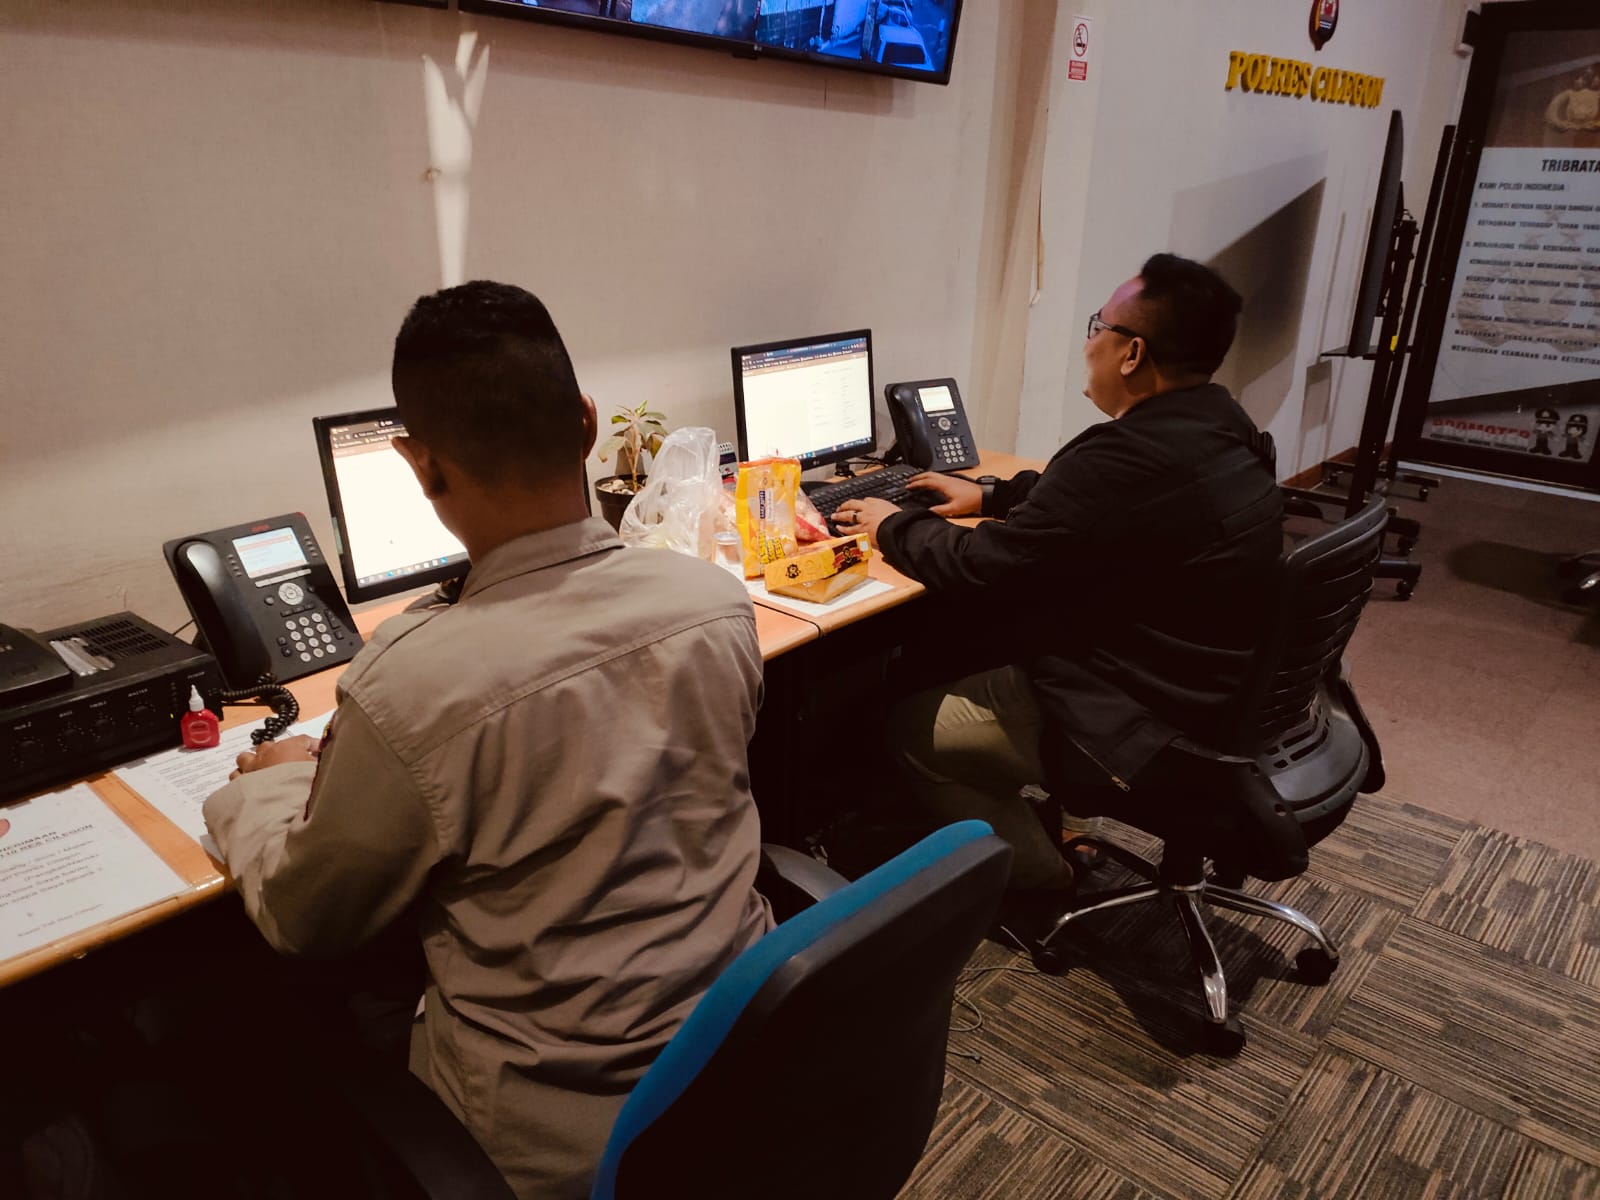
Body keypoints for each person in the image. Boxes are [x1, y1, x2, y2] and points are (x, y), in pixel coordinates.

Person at [203, 280, 773, 1199]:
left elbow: (308, 921)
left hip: (555, 1139)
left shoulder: (410, 686)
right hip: (742, 1053)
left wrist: (265, 784)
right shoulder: (713, 601)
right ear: (586, 423)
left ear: (418, 464)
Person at [831, 253, 1283, 913]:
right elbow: (1105, 510)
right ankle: (1050, 818)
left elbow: (981, 568)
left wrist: (890, 524)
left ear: (1132, 353)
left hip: (1137, 716)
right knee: (967, 642)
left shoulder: (1124, 457)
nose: (1088, 342)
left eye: (1098, 325)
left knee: (912, 729)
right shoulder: (1221, 428)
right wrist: (990, 493)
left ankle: (1044, 883)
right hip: (1206, 691)